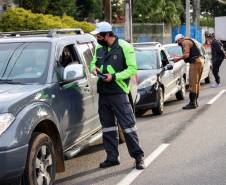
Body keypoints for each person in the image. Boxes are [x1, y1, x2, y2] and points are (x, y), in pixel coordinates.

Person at [90, 21, 145, 170]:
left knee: (128, 127)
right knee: (108, 128)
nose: (98, 38)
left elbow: (132, 69)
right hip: (104, 93)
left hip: (119, 93)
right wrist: (93, 69)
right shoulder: (99, 48)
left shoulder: (125, 47)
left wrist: (114, 76)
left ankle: (138, 157)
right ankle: (112, 157)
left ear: (108, 35)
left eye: (100, 35)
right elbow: (92, 63)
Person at [173, 34, 204, 109]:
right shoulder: (191, 40)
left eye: (177, 42)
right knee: (196, 83)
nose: (178, 44)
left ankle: (192, 103)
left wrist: (178, 58)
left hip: (195, 62)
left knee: (192, 82)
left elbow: (186, 55)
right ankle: (195, 102)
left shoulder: (185, 42)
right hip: (200, 61)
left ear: (180, 39)